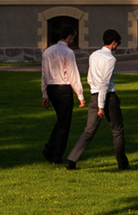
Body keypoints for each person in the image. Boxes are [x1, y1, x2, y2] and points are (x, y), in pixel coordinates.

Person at [65, 28, 130, 170]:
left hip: (94, 95)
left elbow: (90, 77)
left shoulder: (93, 55)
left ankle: (71, 159)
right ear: (113, 43)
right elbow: (105, 83)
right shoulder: (110, 58)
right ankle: (122, 164)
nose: (116, 46)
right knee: (117, 130)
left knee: (88, 130)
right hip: (106, 97)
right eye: (117, 44)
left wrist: (96, 96)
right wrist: (101, 106)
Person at [40, 24, 84, 162]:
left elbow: (44, 74)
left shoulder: (47, 51)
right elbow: (73, 75)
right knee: (64, 123)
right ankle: (56, 154)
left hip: (52, 88)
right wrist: (80, 95)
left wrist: (45, 94)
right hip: (63, 88)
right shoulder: (68, 53)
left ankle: (50, 148)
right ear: (69, 37)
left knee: (60, 121)